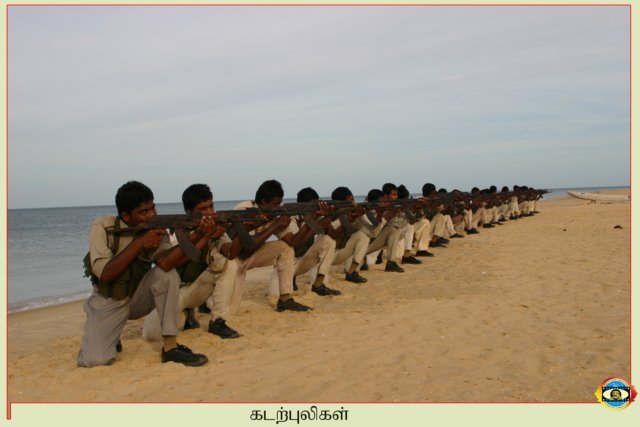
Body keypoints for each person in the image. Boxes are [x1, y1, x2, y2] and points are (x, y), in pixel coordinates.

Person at [78, 181, 208, 367]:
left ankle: (170, 348)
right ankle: (112, 336)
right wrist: (139, 243)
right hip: (109, 301)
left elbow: (166, 263)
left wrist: (199, 235)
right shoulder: (103, 227)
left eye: (153, 208)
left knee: (167, 275)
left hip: (138, 298)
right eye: (143, 212)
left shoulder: (156, 228)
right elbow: (106, 274)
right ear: (126, 216)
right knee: (94, 361)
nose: (152, 215)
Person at [142, 184, 241, 341]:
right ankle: (187, 314)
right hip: (174, 291)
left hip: (197, 288)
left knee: (229, 264)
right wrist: (205, 236)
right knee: (151, 334)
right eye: (203, 209)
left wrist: (241, 229)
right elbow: (177, 262)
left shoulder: (214, 227)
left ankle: (218, 321)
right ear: (188, 212)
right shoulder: (176, 231)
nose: (209, 212)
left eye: (211, 206)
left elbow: (231, 253)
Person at [230, 179, 313, 312]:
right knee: (229, 310)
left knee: (285, 248)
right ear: (263, 202)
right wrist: (275, 224)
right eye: (275, 204)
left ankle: (285, 299)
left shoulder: (275, 213)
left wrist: (312, 219)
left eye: (280, 203)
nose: (278, 207)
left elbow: (293, 242)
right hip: (233, 261)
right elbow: (247, 245)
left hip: (252, 256)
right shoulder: (243, 209)